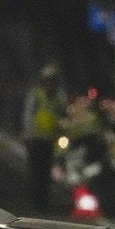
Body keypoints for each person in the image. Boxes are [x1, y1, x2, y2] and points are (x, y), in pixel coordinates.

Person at [21, 63, 66, 211]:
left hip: (49, 141)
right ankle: (35, 200)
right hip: (35, 140)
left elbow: (61, 117)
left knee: (46, 172)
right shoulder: (36, 96)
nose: (50, 84)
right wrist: (28, 137)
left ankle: (44, 201)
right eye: (48, 81)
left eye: (53, 82)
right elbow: (28, 117)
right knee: (36, 171)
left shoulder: (58, 99)